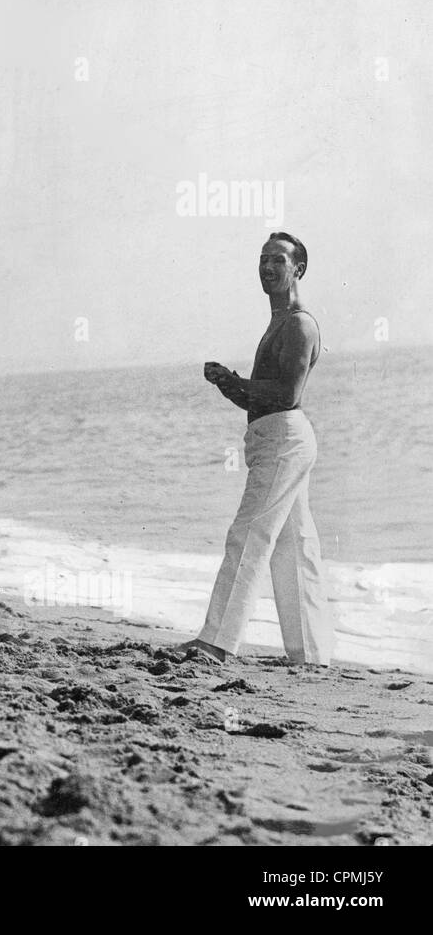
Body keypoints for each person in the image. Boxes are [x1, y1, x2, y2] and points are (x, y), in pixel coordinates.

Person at [179, 232, 331, 667]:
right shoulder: (278, 323)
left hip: (285, 440)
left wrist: (238, 382)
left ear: (298, 268)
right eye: (263, 259)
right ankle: (310, 654)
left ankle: (216, 641)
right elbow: (256, 399)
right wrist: (228, 383)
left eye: (278, 260)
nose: (268, 267)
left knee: (248, 536)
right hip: (274, 439)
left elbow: (285, 394)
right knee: (294, 545)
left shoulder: (300, 323)